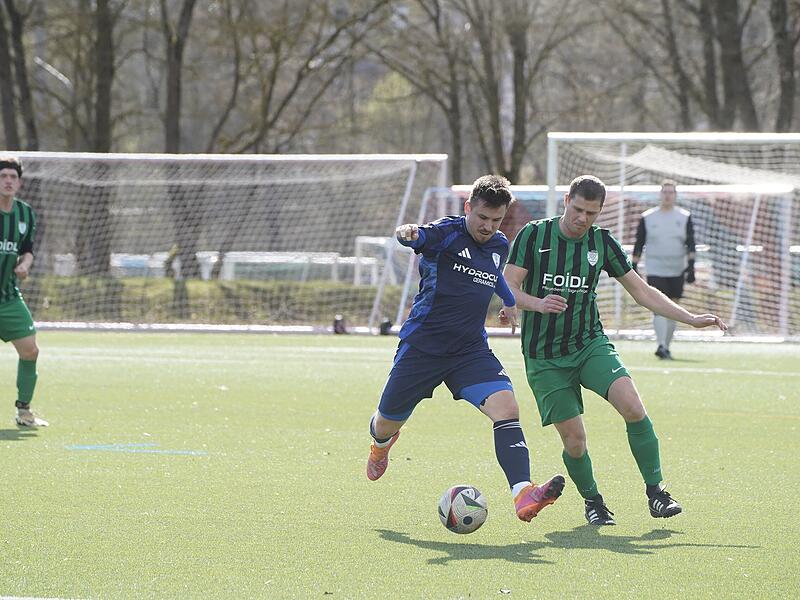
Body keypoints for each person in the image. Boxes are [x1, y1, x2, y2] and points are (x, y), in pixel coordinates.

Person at [503, 175, 725, 525]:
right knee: (574, 441)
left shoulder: (602, 242)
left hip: (589, 344)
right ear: (565, 201)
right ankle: (593, 501)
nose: (583, 218)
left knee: (634, 407)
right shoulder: (534, 235)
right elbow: (508, 286)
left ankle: (657, 493)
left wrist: (690, 318)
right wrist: (536, 303)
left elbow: (642, 291)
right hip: (544, 357)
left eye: (591, 213)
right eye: (577, 209)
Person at [367, 174, 564, 523]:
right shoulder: (446, 233)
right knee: (385, 423)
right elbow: (418, 235)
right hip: (423, 348)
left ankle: (522, 493)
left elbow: (495, 273)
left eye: (496, 220)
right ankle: (382, 445)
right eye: (482, 217)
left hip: (469, 351)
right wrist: (408, 233)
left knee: (507, 408)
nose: (488, 226)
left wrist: (508, 301)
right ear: (468, 207)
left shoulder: (500, 244)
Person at [0, 156, 46, 427]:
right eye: (3, 176)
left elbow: (27, 249)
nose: (7, 181)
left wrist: (26, 264)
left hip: (7, 297)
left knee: (30, 351)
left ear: (19, 182)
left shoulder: (25, 213)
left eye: (12, 177)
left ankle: (24, 411)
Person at [632, 180, 696, 359]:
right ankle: (660, 344)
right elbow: (639, 242)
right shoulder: (648, 217)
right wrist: (634, 265)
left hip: (677, 268)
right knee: (659, 307)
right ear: (660, 194)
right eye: (665, 192)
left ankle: (666, 346)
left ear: (675, 195)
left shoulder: (684, 217)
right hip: (655, 268)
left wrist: (691, 267)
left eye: (671, 192)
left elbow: (690, 243)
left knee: (673, 306)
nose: (667, 195)